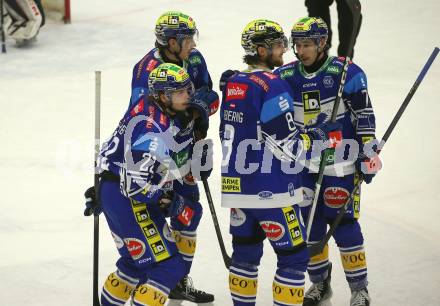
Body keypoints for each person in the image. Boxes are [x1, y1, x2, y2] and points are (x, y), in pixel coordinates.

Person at [219, 19, 341, 306]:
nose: (285, 49)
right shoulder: (273, 85)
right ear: (261, 50)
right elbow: (289, 146)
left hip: (236, 188)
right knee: (294, 258)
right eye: (277, 45)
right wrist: (319, 136)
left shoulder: (234, 81)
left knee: (245, 255)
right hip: (272, 190)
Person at [84, 63, 214, 305]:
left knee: (133, 266)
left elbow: (120, 150)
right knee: (169, 268)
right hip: (129, 198)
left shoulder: (146, 103)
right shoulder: (153, 132)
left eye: (188, 89)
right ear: (164, 96)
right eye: (181, 92)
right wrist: (165, 200)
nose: (189, 95)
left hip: (112, 189)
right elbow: (135, 185)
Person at [274, 17, 381, 306]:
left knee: (344, 225)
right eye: (296, 44)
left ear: (322, 43)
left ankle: (360, 289)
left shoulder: (347, 72)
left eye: (307, 44)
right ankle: (320, 284)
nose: (300, 50)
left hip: (340, 164)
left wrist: (368, 152)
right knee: (309, 227)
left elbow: (364, 116)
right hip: (302, 163)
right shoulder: (284, 76)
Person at [128, 11, 219, 302]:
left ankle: (179, 280)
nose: (193, 44)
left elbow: (211, 94)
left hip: (189, 150)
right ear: (171, 41)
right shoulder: (146, 69)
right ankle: (149, 280)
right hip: (161, 155)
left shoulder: (195, 59)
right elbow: (140, 117)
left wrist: (201, 111)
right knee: (156, 213)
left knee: (188, 214)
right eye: (187, 38)